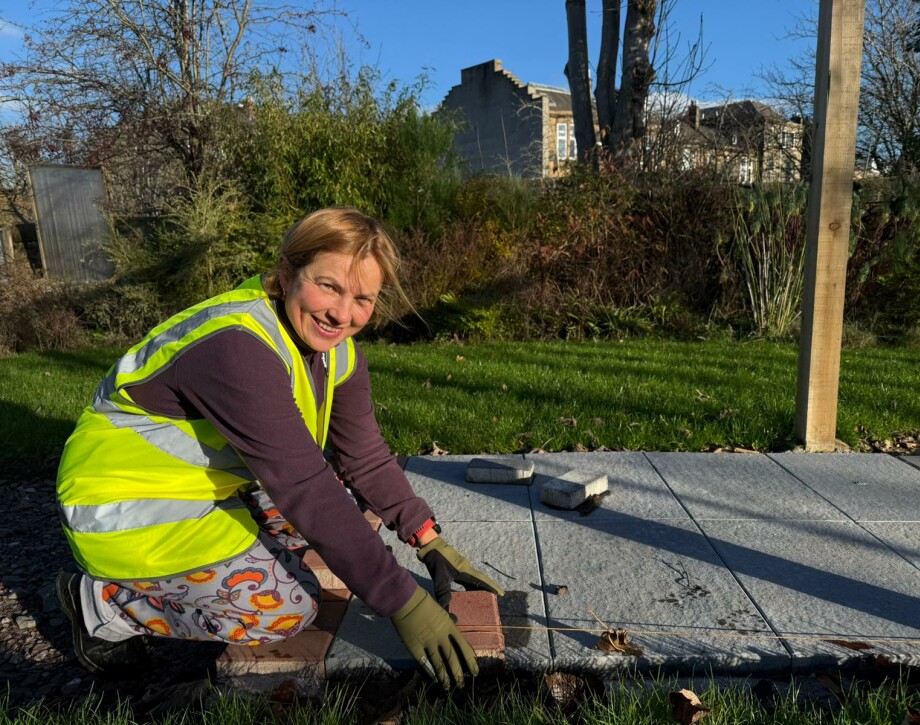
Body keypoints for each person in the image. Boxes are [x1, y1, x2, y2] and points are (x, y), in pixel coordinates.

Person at [55, 207, 504, 690]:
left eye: (363, 298)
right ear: (287, 272)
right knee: (287, 609)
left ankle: (206, 566)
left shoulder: (337, 350)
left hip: (202, 486)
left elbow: (365, 456)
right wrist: (403, 603)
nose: (343, 313)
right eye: (328, 286)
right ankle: (101, 605)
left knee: (337, 510)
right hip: (125, 502)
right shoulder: (237, 347)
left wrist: (426, 537)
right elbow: (304, 487)